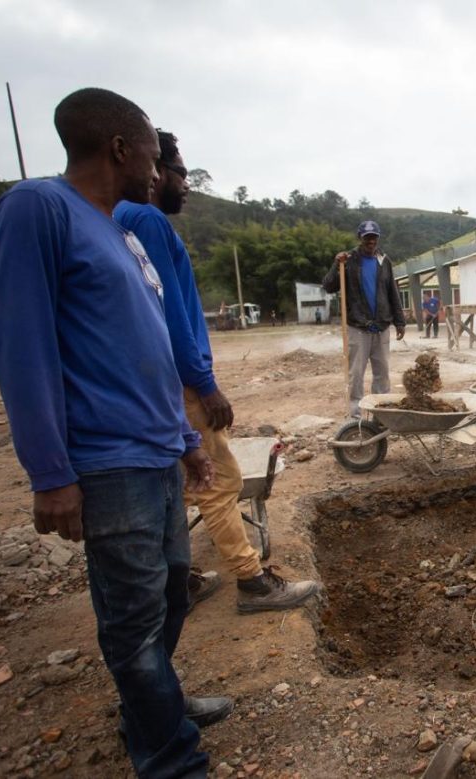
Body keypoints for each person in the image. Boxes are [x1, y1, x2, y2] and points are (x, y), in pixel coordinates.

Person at [0, 87, 224, 778]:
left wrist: (186, 442)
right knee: (133, 622)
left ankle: (154, 708)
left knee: (171, 594)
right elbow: (21, 344)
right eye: (153, 154)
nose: (159, 170)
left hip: (156, 453)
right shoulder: (39, 208)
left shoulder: (121, 232)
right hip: (108, 462)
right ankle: (171, 757)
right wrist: (49, 472)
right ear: (120, 148)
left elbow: (145, 348)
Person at [115, 131, 322, 616]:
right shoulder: (146, 218)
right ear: (156, 170)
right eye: (181, 172)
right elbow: (169, 314)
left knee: (174, 484)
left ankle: (178, 581)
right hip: (180, 380)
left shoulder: (119, 218)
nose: (187, 184)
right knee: (219, 480)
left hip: (150, 380)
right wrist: (204, 383)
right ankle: (252, 583)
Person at [322, 220, 406, 417]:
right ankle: (356, 416)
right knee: (356, 374)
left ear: (378, 238)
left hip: (381, 326)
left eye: (374, 237)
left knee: (382, 373)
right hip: (358, 327)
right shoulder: (348, 261)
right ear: (360, 238)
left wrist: (399, 321)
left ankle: (381, 414)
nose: (371, 241)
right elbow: (329, 286)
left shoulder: (384, 261)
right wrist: (336, 265)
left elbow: (392, 292)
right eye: (367, 237)